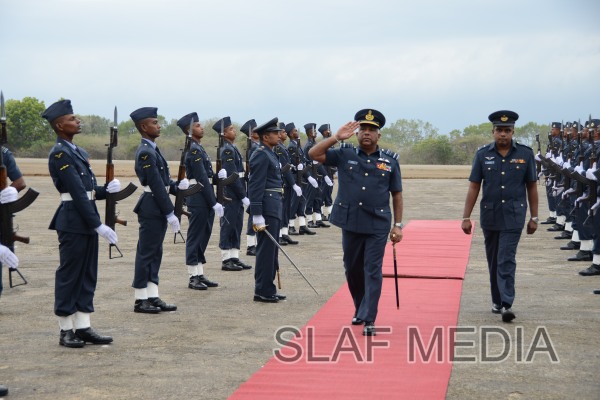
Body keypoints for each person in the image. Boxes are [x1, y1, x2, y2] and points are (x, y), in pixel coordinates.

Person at [309, 109, 403, 336]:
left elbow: (397, 194)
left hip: (377, 223)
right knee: (352, 269)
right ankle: (360, 307)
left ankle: (370, 318)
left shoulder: (389, 161)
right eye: (363, 129)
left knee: (372, 270)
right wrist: (335, 137)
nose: (367, 133)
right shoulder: (344, 154)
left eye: (372, 130)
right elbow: (313, 154)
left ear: (379, 135)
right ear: (357, 133)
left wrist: (398, 225)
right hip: (350, 222)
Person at [43, 99, 118, 347]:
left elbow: (88, 190)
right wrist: (98, 224)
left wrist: (106, 190)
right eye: (72, 119)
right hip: (73, 220)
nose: (78, 121)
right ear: (59, 125)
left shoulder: (78, 151)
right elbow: (75, 191)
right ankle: (66, 329)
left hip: (85, 218)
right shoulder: (60, 153)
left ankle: (83, 326)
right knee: (70, 275)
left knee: (87, 273)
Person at [461, 110, 538, 323]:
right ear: (493, 131)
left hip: (514, 216)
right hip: (491, 215)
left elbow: (532, 186)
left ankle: (506, 303)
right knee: (494, 259)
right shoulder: (482, 154)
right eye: (499, 130)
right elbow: (474, 186)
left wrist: (535, 217)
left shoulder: (525, 154)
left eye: (507, 130)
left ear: (513, 131)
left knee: (506, 259)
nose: (503, 134)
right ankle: (496, 300)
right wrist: (466, 217)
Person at [131, 107, 186, 313]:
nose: (159, 126)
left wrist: (176, 186)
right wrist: (170, 212)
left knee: (155, 252)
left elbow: (163, 181)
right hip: (152, 206)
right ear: (144, 127)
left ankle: (152, 295)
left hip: (156, 205)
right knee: (146, 252)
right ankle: (140, 299)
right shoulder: (146, 152)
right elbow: (155, 184)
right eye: (154, 123)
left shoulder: (153, 149)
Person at [177, 112, 223, 290]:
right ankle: (192, 276)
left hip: (204, 195)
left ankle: (199, 273)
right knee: (195, 236)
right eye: (197, 126)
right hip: (198, 197)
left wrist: (218, 177)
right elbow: (201, 177)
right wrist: (213, 202)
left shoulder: (198, 147)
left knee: (204, 235)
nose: (201, 127)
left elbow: (207, 176)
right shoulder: (193, 149)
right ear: (188, 130)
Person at [248, 118, 285, 303]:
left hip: (274, 204)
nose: (279, 135)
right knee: (266, 250)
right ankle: (262, 289)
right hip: (267, 206)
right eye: (275, 133)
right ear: (265, 137)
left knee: (272, 250)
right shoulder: (261, 154)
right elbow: (255, 185)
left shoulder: (270, 153)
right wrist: (256, 213)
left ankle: (268, 287)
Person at [214, 117, 252, 271]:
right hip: (230, 194)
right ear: (223, 134)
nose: (234, 131)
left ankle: (234, 256)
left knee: (237, 225)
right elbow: (232, 176)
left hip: (237, 192)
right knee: (228, 226)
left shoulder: (232, 147)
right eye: (230, 129)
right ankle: (226, 259)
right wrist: (243, 195)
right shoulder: (227, 150)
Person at [241, 119, 260, 256]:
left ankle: (255, 242)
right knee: (253, 214)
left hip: (256, 183)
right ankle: (250, 244)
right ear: (251, 134)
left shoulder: (256, 146)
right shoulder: (253, 147)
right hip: (255, 184)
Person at [318, 123, 336, 221]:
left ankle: (329, 213)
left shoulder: (329, 143)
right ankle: (320, 213)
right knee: (322, 194)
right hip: (324, 172)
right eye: (328, 130)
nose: (330, 131)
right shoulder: (324, 143)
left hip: (329, 172)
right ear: (325, 132)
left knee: (328, 193)